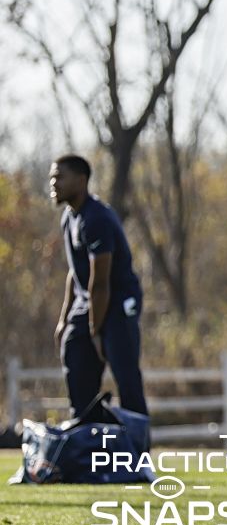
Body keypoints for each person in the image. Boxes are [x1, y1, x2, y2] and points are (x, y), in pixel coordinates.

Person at [49, 155, 148, 418]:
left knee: (126, 381)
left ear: (81, 181)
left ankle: (137, 454)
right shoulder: (69, 218)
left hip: (117, 303)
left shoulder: (97, 219)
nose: (53, 183)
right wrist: (64, 319)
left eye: (60, 177)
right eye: (52, 177)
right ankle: (86, 444)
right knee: (73, 352)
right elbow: (76, 272)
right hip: (89, 303)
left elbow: (100, 282)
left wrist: (95, 332)